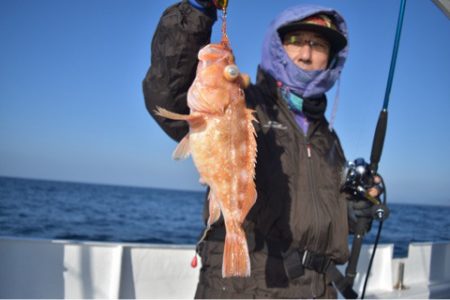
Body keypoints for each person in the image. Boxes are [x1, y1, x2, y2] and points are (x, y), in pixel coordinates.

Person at [143, 1, 382, 298]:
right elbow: (167, 95)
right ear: (277, 46)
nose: (306, 54)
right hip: (246, 286)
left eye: (318, 45)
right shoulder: (247, 103)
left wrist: (353, 211)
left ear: (331, 58)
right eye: (295, 41)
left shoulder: (328, 139)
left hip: (317, 290)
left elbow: (316, 215)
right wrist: (197, 11)